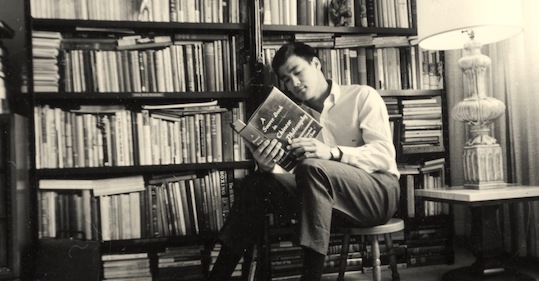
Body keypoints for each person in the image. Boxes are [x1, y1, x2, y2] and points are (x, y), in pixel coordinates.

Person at [207, 42, 400, 281]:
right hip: (325, 202)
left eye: (297, 72)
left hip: (377, 194)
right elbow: (300, 178)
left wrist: (331, 152)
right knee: (258, 183)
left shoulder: (362, 96)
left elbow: (383, 154)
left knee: (313, 167)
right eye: (286, 79)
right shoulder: (295, 116)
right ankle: (218, 275)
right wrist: (268, 166)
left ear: (316, 64)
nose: (294, 83)